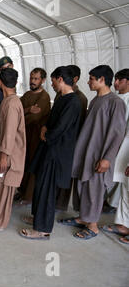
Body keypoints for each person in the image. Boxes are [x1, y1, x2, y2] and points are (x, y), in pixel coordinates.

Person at [58, 65, 126, 240]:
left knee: (94, 190)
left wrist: (107, 159)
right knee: (82, 187)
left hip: (99, 155)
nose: (88, 82)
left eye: (91, 79)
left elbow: (117, 134)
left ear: (102, 80)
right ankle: (83, 218)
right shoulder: (96, 100)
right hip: (85, 152)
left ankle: (93, 225)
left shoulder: (115, 103)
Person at [19, 66, 82, 240]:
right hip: (48, 149)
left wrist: (45, 134)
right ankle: (37, 218)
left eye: (53, 81)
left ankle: (43, 228)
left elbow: (61, 128)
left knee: (47, 190)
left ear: (60, 79)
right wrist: (45, 128)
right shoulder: (62, 98)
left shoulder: (73, 101)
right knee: (41, 186)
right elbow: (51, 120)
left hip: (56, 153)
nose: (52, 85)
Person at [0, 68, 26, 232]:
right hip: (4, 153)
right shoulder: (9, 101)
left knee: (2, 190)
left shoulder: (11, 104)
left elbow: (9, 133)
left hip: (8, 156)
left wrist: (3, 157)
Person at [55, 65, 88, 212]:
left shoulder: (79, 99)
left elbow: (72, 123)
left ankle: (61, 205)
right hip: (58, 142)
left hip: (68, 142)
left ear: (74, 79)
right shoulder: (61, 94)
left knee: (65, 176)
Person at [101, 68, 129, 242]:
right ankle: (123, 224)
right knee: (125, 189)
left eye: (120, 79)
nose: (116, 83)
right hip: (122, 150)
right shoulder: (118, 99)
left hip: (126, 151)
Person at [17, 68, 51, 206]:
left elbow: (33, 118)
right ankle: (21, 191)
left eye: (36, 78)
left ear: (43, 80)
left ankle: (29, 196)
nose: (32, 81)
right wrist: (27, 109)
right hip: (23, 136)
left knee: (32, 165)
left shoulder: (44, 97)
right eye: (31, 78)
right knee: (22, 163)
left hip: (35, 138)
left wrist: (20, 118)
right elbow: (17, 109)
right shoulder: (26, 95)